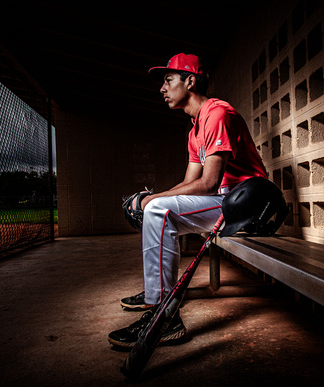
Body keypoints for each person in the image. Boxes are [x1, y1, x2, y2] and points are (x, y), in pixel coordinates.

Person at [108, 53, 267, 348]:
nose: (162, 88)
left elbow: (207, 184)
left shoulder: (217, 113)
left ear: (190, 81)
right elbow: (188, 184)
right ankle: (158, 300)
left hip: (249, 204)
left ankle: (162, 314)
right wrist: (152, 197)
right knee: (158, 209)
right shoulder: (194, 130)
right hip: (224, 200)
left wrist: (152, 200)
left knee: (159, 210)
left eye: (168, 80)